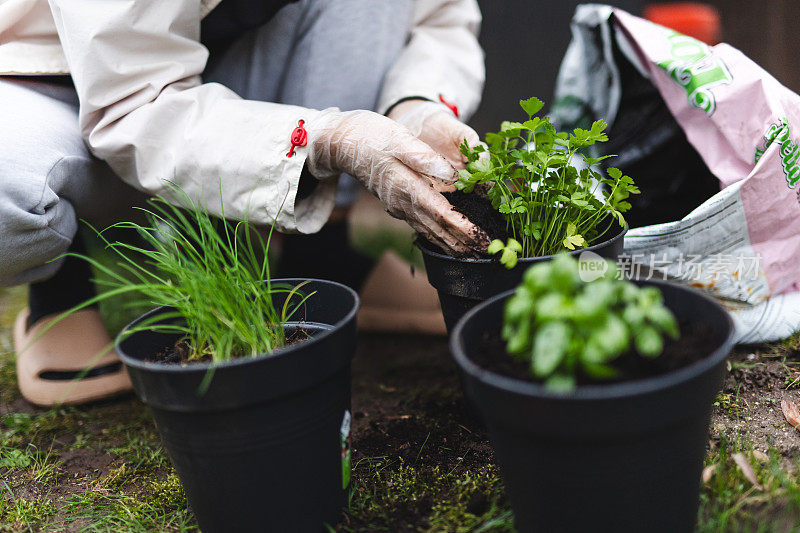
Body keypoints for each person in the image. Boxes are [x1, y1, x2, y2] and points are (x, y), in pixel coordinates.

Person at [0, 0, 488, 406]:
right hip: (45, 74)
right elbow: (133, 100)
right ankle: (63, 293)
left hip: (219, 60)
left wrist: (415, 103)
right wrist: (322, 141)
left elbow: (437, 15)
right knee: (10, 195)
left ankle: (327, 260)